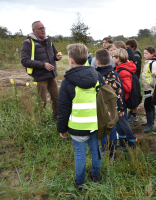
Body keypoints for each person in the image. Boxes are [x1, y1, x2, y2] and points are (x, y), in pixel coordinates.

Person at [57, 43, 102, 191]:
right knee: (95, 150)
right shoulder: (97, 76)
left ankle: (80, 183)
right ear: (87, 58)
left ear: (71, 60)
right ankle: (96, 177)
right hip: (95, 124)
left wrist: (61, 128)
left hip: (78, 127)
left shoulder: (67, 81)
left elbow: (63, 109)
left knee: (80, 154)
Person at [21, 21, 62, 119]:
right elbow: (24, 61)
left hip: (51, 75)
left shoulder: (49, 41)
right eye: (40, 28)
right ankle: (42, 120)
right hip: (40, 77)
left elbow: (55, 54)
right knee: (42, 100)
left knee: (56, 98)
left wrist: (57, 57)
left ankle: (56, 118)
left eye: (44, 28)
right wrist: (43, 65)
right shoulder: (28, 43)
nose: (43, 30)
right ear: (33, 30)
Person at [95, 49, 124, 157]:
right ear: (110, 60)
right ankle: (112, 152)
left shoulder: (94, 75)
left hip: (100, 108)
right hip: (113, 107)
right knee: (112, 129)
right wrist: (121, 108)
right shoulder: (114, 74)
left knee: (102, 128)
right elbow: (120, 91)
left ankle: (104, 150)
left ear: (97, 61)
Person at [113, 49, 137, 148]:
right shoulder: (120, 67)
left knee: (123, 121)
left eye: (114, 57)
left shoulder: (123, 71)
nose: (112, 58)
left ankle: (131, 142)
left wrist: (116, 84)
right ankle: (123, 142)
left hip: (123, 100)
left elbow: (127, 87)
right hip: (120, 99)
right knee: (119, 121)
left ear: (118, 58)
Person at [141, 46, 156, 133]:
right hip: (146, 87)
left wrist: (154, 89)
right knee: (149, 104)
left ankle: (150, 124)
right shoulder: (148, 62)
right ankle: (150, 121)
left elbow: (155, 77)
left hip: (151, 88)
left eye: (146, 53)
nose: (144, 55)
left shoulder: (154, 63)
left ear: (152, 54)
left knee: (147, 105)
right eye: (144, 53)